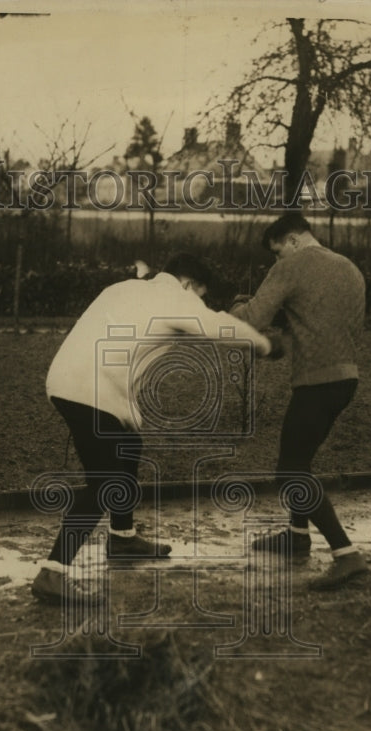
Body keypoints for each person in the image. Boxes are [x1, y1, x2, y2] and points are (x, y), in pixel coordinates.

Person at [33, 252, 274, 604]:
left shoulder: (125, 288)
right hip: (89, 389)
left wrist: (128, 413)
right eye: (201, 295)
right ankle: (53, 572)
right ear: (189, 285)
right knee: (104, 483)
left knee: (130, 443)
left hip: (77, 381)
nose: (200, 303)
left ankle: (122, 537)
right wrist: (266, 345)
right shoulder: (176, 297)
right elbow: (219, 325)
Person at [230, 212, 370, 591]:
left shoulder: (292, 265)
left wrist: (229, 312)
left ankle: (347, 555)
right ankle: (296, 533)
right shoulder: (349, 268)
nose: (276, 262)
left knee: (291, 471)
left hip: (316, 381)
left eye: (276, 253)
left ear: (292, 241)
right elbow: (324, 321)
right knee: (301, 459)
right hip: (345, 379)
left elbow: (254, 319)